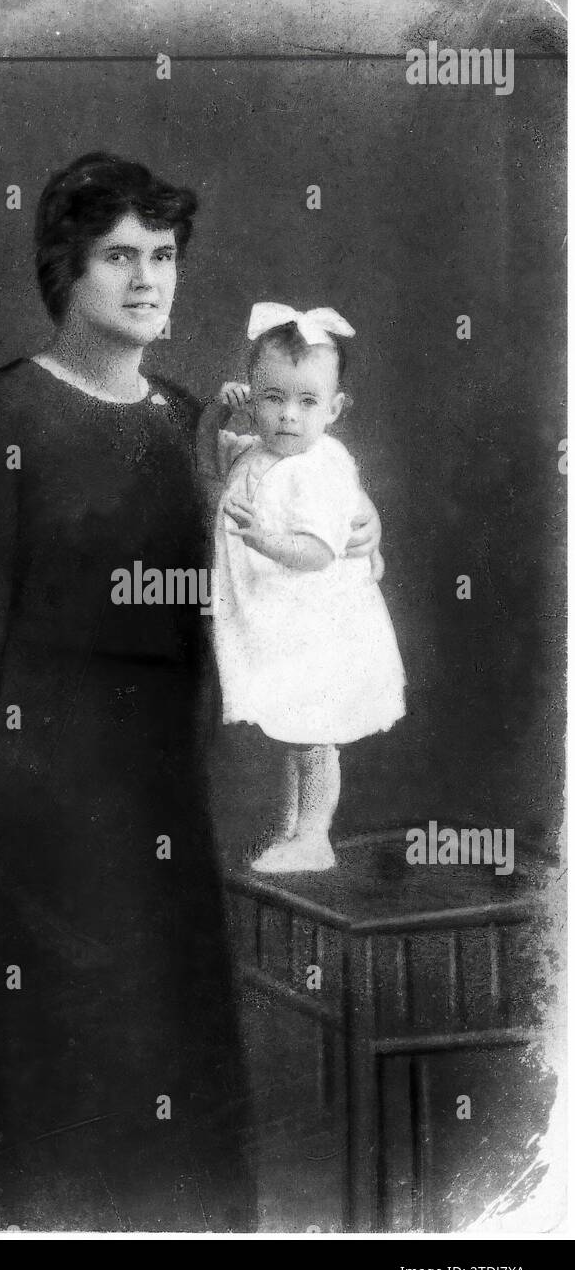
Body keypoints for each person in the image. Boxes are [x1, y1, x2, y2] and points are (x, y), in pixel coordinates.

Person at [0, 152, 258, 1231]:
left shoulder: (187, 424)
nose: (148, 279)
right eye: (119, 256)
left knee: (171, 1115)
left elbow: (239, 602)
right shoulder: (4, 415)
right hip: (26, 824)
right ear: (65, 270)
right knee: (40, 1119)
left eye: (164, 256)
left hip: (159, 818)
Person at [197, 303, 406, 873]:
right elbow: (209, 470)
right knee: (294, 733)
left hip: (318, 630)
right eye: (272, 397)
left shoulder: (322, 466)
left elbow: (317, 552)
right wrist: (220, 412)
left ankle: (314, 835)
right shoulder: (255, 451)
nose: (288, 416)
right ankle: (292, 830)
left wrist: (261, 540)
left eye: (307, 402)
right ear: (254, 395)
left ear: (334, 409)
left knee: (315, 737)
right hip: (278, 625)